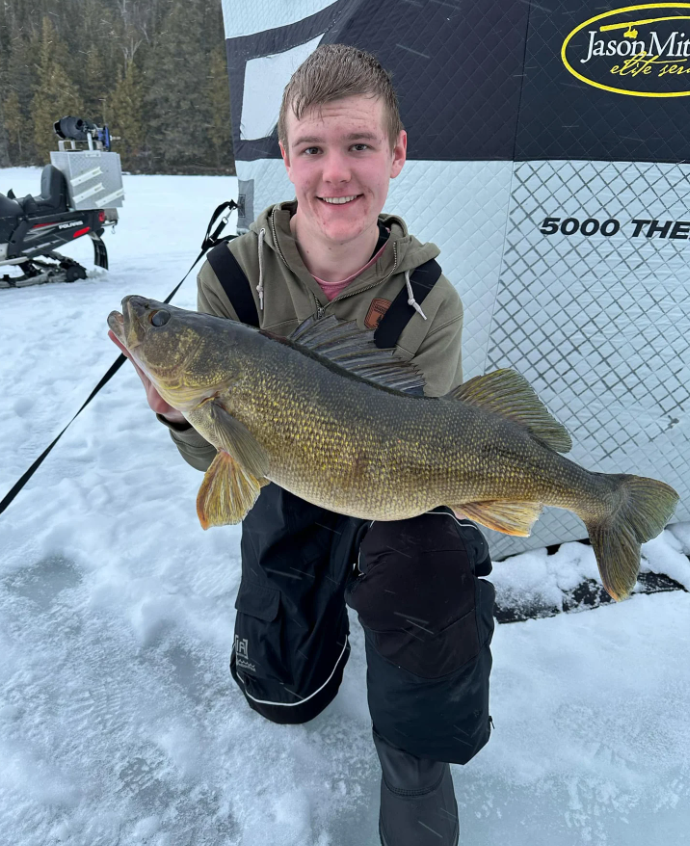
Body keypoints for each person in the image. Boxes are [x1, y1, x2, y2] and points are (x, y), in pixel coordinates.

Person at [110, 44, 495, 846]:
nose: (335, 174)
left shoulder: (431, 300)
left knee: (427, 582)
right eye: (312, 149)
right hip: (287, 482)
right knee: (281, 694)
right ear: (285, 158)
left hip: (396, 485)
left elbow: (426, 431)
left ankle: (417, 755)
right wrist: (183, 417)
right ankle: (316, 630)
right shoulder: (230, 279)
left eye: (358, 146)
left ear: (396, 154)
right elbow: (223, 458)